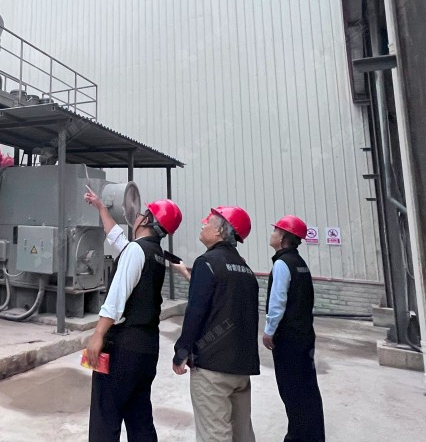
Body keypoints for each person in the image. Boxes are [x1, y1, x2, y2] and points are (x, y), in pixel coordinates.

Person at [83, 186, 188, 442]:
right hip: (146, 349)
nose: (137, 215)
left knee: (105, 416)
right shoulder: (155, 254)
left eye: (142, 212)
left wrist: (98, 334)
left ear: (148, 220)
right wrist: (100, 207)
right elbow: (118, 238)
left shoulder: (136, 252)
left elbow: (116, 298)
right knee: (139, 415)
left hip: (123, 347)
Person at [173, 206, 260, 442]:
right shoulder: (245, 269)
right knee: (242, 434)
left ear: (221, 230)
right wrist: (188, 275)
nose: (203, 224)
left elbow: (197, 312)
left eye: (208, 221)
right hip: (241, 368)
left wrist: (181, 351)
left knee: (214, 434)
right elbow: (225, 301)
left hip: (212, 369)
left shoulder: (207, 262)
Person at [263, 216, 325, 442]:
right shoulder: (300, 264)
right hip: (304, 336)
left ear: (283, 238)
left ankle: (298, 436)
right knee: (307, 388)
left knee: (291, 390)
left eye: (276, 231)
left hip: (288, 338)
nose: (272, 234)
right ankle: (313, 435)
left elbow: (277, 301)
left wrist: (269, 330)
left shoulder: (282, 264)